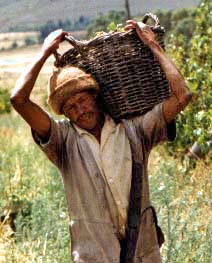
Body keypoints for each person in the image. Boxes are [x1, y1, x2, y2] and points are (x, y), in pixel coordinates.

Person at [10, 20, 192, 263]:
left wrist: (152, 45)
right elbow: (18, 100)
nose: (81, 110)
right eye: (71, 107)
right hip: (94, 256)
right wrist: (44, 52)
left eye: (83, 100)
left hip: (144, 253)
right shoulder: (63, 142)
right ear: (65, 114)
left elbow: (183, 96)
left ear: (95, 97)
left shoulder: (133, 131)